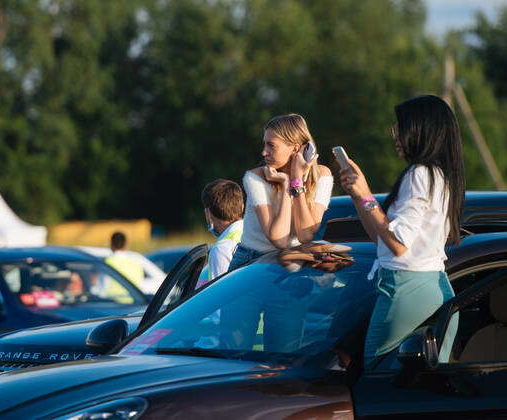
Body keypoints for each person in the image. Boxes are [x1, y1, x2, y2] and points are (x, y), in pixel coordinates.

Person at [339, 94, 464, 369]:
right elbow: (381, 238)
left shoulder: (419, 173)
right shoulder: (439, 175)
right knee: (413, 381)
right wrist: (359, 196)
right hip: (433, 285)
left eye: (401, 127)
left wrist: (367, 195)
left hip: (406, 286)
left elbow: (398, 244)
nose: (396, 134)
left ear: (422, 130)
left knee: (375, 373)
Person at [228, 113, 334, 272]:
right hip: (252, 260)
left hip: (292, 260)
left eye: (271, 145)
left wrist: (296, 180)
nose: (264, 152)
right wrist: (285, 184)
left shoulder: (322, 176)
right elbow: (280, 240)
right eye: (264, 145)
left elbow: (305, 235)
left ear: (296, 149)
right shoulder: (255, 178)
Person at [196, 179, 244, 288]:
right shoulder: (257, 234)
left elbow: (219, 297)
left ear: (208, 214)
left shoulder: (222, 249)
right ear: (242, 206)